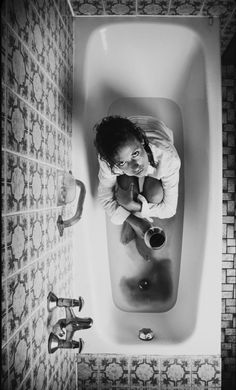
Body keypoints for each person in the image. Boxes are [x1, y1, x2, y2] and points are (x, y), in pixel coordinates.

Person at [94, 115, 181, 244]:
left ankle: (134, 215)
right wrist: (136, 221)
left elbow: (169, 210)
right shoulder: (107, 161)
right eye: (122, 163)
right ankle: (135, 221)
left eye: (135, 154)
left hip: (154, 128)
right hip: (126, 142)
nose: (135, 166)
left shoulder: (168, 158)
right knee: (124, 188)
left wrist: (133, 205)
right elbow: (105, 198)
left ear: (141, 141)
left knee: (155, 195)